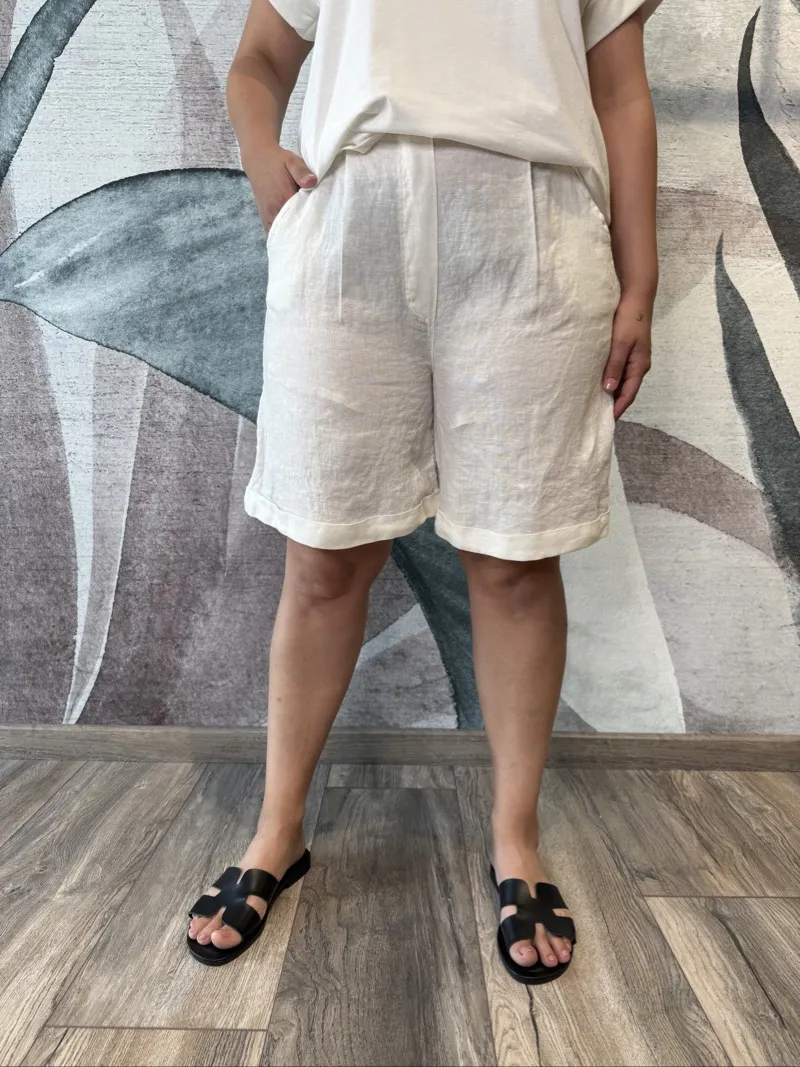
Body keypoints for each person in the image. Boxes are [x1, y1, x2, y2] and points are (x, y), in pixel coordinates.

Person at [187, 0, 660, 984]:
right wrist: (260, 156)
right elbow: (259, 60)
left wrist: (639, 280)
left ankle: (515, 839)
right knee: (324, 554)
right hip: (349, 221)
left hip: (533, 227)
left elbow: (618, 91)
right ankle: (276, 829)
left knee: (514, 558)